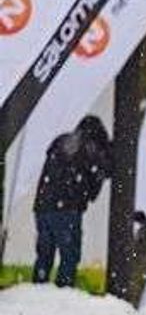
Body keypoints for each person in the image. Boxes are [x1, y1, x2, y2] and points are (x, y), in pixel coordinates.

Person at [32, 115, 111, 287]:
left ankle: (37, 291)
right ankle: (63, 295)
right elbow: (93, 191)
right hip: (67, 209)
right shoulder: (92, 148)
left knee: (44, 255)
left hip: (42, 206)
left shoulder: (60, 141)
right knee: (69, 256)